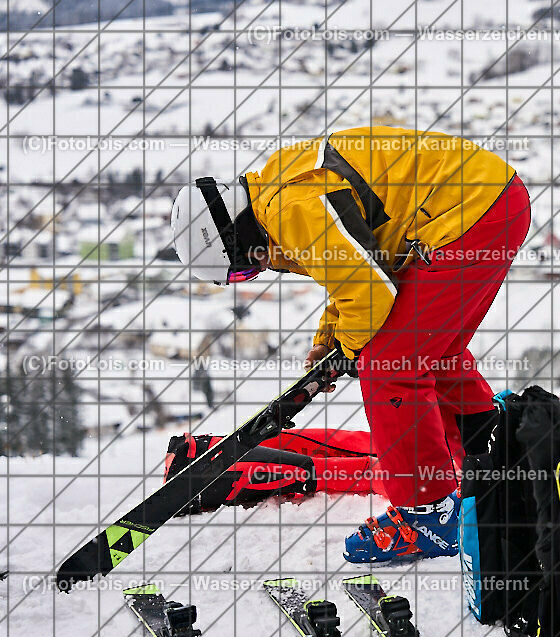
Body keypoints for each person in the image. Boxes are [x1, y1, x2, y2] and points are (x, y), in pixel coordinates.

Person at [170, 126, 530, 563]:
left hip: (469, 214)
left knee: (392, 365)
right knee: (433, 350)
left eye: (242, 268)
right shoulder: (278, 190)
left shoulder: (289, 209)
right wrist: (331, 342)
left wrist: (351, 348)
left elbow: (370, 291)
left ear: (236, 237)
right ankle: (485, 454)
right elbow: (360, 267)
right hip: (487, 200)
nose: (255, 271)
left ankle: (428, 515)